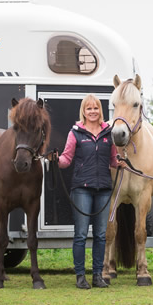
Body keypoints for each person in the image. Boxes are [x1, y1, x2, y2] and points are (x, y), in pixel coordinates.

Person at [57, 94, 121, 289]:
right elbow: (66, 159)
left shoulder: (108, 133)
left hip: (103, 189)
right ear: (83, 111)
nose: (92, 112)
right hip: (82, 189)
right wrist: (55, 160)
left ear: (100, 111)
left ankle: (97, 276)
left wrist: (121, 163)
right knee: (81, 234)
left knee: (101, 235)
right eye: (89, 108)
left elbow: (113, 160)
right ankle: (80, 276)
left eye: (95, 108)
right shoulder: (75, 133)